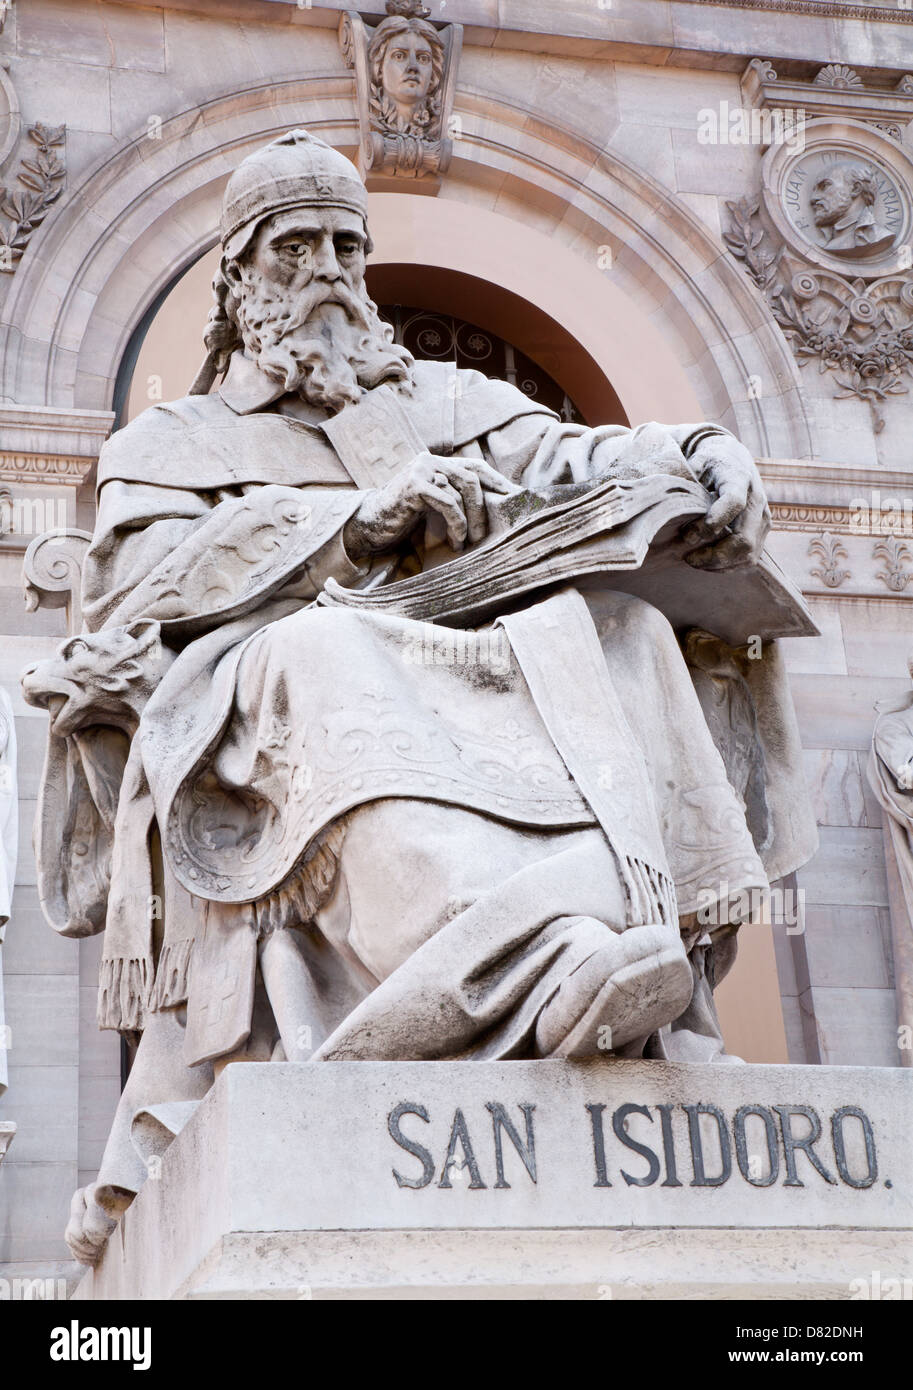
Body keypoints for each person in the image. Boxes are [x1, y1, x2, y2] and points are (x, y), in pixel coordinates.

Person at [25, 129, 815, 1263]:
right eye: (293, 248)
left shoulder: (445, 400)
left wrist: (695, 453)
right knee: (325, 656)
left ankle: (618, 953)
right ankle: (517, 956)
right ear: (238, 278)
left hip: (474, 652)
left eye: (346, 246)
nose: (326, 276)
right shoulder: (175, 438)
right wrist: (345, 532)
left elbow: (572, 459)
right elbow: (132, 596)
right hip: (263, 679)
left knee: (630, 631)